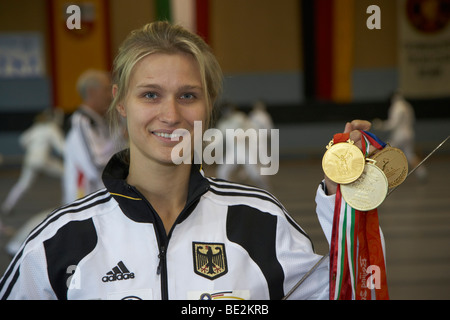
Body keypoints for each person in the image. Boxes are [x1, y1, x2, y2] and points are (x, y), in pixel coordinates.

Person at [0, 21, 380, 300]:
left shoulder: (261, 223)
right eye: (150, 95)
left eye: (187, 96)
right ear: (120, 103)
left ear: (208, 105)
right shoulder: (59, 242)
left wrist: (347, 199)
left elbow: (350, 288)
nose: (170, 115)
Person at [62, 69, 124, 204]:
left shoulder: (98, 120)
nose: (110, 96)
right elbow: (95, 166)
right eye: (106, 90)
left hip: (99, 196)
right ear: (91, 92)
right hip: (85, 199)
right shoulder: (81, 122)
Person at [1, 109, 65, 215]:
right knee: (68, 174)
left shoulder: (36, 128)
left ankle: (7, 205)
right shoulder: (52, 128)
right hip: (43, 160)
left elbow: (22, 140)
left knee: (23, 183)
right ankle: (67, 202)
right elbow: (62, 148)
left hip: (30, 159)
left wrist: (31, 150)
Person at [374, 91, 427, 181]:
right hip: (409, 133)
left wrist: (381, 125)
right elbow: (412, 120)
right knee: (410, 154)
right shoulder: (407, 106)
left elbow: (393, 124)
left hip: (400, 135)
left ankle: (381, 175)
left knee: (386, 151)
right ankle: (422, 172)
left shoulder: (396, 107)